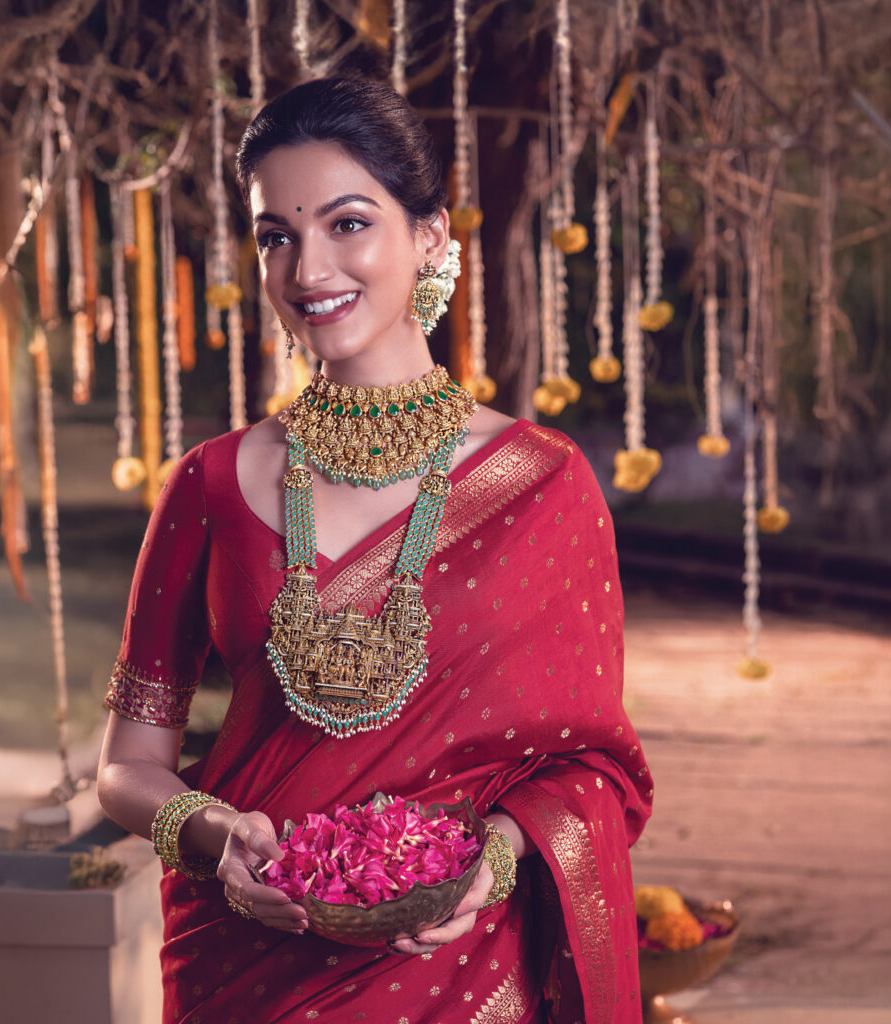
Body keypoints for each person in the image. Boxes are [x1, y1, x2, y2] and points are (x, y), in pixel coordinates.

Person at [97, 75, 653, 1024]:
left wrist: (494, 860)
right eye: (278, 235)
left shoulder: (546, 486)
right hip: (246, 958)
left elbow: (593, 768)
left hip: (461, 961)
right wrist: (210, 833)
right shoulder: (210, 484)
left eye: (348, 223)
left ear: (431, 236)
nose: (309, 269)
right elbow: (125, 767)